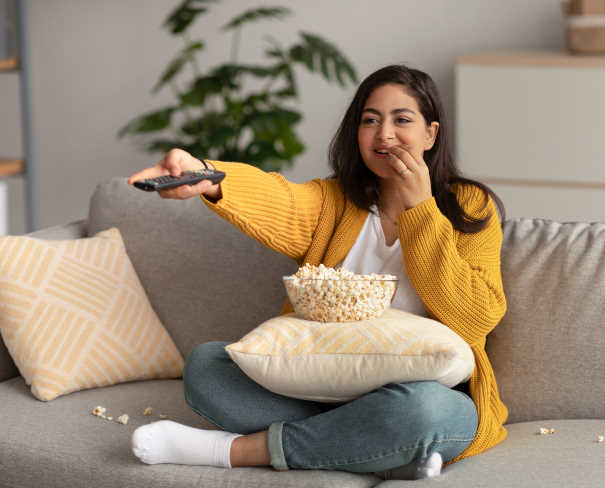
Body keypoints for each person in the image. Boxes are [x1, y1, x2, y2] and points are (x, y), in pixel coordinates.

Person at [127, 64, 508, 480]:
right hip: (320, 391)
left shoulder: (470, 206)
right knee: (208, 367)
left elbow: (476, 315)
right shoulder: (334, 201)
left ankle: (238, 451)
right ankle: (378, 448)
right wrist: (208, 175)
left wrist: (420, 209)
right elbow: (278, 199)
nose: (384, 134)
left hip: (425, 395)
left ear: (431, 134)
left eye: (402, 120)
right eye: (370, 120)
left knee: (423, 412)